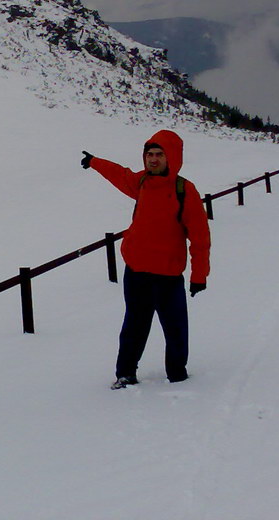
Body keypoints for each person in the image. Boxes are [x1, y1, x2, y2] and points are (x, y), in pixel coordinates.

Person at [81, 129, 210, 387]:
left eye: (159, 154)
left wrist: (199, 276)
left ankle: (177, 374)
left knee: (174, 329)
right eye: (149, 154)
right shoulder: (141, 182)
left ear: (170, 156)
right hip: (137, 270)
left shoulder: (185, 190)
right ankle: (125, 373)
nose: (152, 159)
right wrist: (95, 162)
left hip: (168, 274)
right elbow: (121, 175)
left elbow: (200, 238)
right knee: (134, 325)